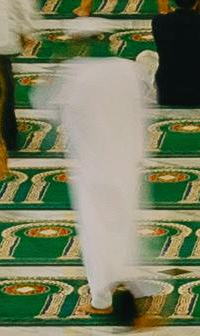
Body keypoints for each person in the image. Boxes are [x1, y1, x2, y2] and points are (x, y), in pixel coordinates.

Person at [52, 43, 160, 297]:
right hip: (125, 162)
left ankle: (102, 297)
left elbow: (59, 112)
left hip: (94, 166)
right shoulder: (128, 70)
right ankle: (130, 288)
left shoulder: (77, 74)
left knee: (96, 231)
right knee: (123, 227)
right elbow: (146, 105)